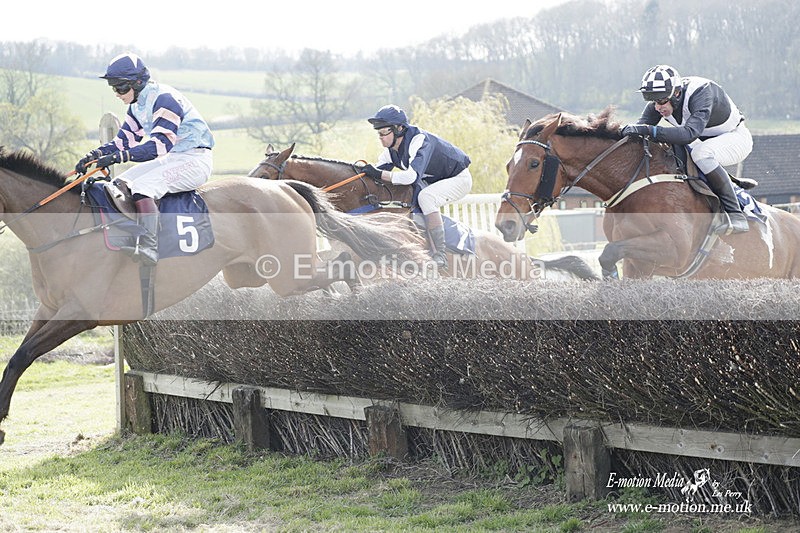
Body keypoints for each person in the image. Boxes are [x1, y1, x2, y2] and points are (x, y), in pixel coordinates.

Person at [74, 52, 215, 265]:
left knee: (143, 188)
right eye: (114, 88)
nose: (117, 94)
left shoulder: (164, 99)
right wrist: (95, 155)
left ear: (137, 83)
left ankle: (150, 246)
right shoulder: (137, 105)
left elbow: (159, 146)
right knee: (118, 184)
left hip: (195, 160)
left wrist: (117, 158)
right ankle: (127, 233)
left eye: (120, 87)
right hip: (175, 158)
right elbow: (123, 141)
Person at [620, 64, 752, 235]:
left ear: (676, 94)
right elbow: (640, 129)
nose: (658, 107)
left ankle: (736, 216)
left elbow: (688, 134)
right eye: (654, 102)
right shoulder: (661, 100)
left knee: (701, 153)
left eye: (661, 101)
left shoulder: (702, 92)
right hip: (702, 142)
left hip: (735, 138)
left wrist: (648, 130)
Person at [361, 104, 472, 269]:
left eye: (384, 132)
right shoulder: (390, 151)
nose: (381, 138)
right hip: (435, 180)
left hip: (458, 178)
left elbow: (411, 176)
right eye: (379, 133)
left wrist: (380, 174)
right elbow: (376, 176)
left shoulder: (419, 140)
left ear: (399, 129)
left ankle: (440, 254)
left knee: (426, 197)